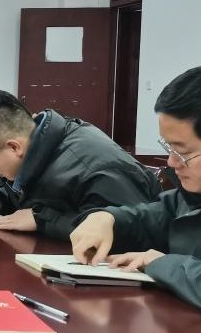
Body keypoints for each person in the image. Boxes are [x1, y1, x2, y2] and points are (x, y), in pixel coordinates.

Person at [0, 90, 161, 240]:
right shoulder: (42, 146)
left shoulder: (93, 167)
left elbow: (127, 230)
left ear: (14, 147)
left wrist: (42, 220)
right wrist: (0, 199)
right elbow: (49, 200)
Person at [71, 66, 201, 307]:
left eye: (183, 152)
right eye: (168, 148)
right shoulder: (189, 198)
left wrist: (161, 263)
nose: (171, 162)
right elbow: (149, 218)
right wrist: (107, 218)